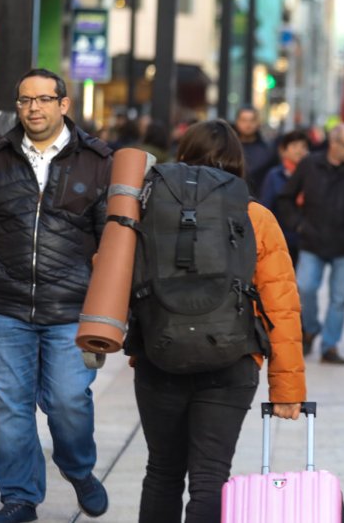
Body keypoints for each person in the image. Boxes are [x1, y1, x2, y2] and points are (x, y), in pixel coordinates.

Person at [0, 69, 113, 523]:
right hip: (5, 307)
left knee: (68, 401)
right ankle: (19, 498)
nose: (33, 108)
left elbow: (116, 247)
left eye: (43, 99)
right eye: (24, 101)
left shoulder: (98, 162)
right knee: (10, 408)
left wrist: (117, 313)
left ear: (64, 104)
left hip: (71, 309)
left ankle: (78, 469)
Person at [131, 119, 305, 522]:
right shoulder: (255, 216)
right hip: (232, 358)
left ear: (183, 155)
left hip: (161, 355)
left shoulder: (147, 208)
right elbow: (281, 306)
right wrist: (287, 389)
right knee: (211, 477)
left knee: (162, 472)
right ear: (236, 161)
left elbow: (114, 273)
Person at [279, 123, 344, 365]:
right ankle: (310, 329)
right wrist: (298, 224)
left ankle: (330, 345)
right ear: (334, 144)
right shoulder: (310, 165)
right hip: (312, 239)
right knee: (305, 288)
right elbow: (286, 198)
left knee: (338, 299)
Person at [259, 130, 311, 268]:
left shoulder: (312, 175)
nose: (299, 151)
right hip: (280, 237)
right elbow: (266, 206)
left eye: (304, 147)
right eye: (294, 146)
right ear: (283, 150)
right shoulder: (275, 175)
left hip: (307, 239)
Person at [235, 106, 274, 194]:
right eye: (244, 120)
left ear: (258, 123)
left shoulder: (268, 150)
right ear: (237, 122)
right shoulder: (228, 148)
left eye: (252, 120)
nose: (248, 124)